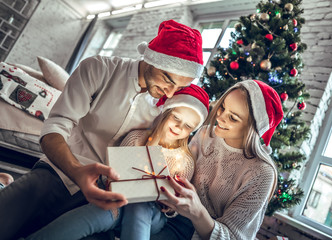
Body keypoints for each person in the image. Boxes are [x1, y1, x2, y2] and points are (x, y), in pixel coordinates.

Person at [0, 19, 204, 240]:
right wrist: (77, 171)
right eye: (167, 80)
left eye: (180, 87)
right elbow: (54, 128)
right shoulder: (98, 68)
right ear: (152, 58)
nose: (171, 93)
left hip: (109, 199)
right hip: (59, 173)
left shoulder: (169, 109)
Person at [26, 84, 209, 240]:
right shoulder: (137, 139)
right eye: (176, 118)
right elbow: (114, 174)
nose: (179, 127)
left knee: (141, 203)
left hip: (152, 215)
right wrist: (118, 188)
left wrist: (169, 206)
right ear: (166, 113)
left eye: (188, 126)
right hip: (119, 200)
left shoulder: (184, 161)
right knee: (99, 212)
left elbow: (174, 206)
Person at [152, 80, 283, 240]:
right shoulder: (205, 134)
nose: (220, 117)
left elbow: (233, 237)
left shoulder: (261, 173)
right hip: (170, 218)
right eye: (222, 107)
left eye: (233, 118)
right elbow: (182, 175)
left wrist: (197, 212)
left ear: (253, 128)